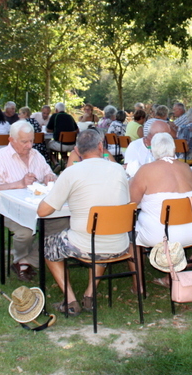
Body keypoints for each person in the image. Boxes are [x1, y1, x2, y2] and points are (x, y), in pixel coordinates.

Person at [37, 130, 131, 315]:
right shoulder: (118, 169)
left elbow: (43, 211)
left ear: (77, 151)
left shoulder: (71, 172)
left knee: (48, 244)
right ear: (100, 147)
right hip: (120, 244)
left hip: (86, 244)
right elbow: (126, 203)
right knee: (100, 232)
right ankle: (89, 294)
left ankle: (70, 300)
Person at [0, 121, 60, 282]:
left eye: (31, 141)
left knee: (63, 224)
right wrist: (17, 184)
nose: (29, 146)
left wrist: (50, 177)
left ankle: (25, 261)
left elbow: (50, 174)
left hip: (35, 207)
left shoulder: (36, 156)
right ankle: (23, 261)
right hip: (6, 208)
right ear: (11, 140)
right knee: (26, 232)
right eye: (24, 141)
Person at [129, 133, 192, 285]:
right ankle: (171, 273)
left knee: (130, 236)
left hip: (163, 235)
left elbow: (131, 202)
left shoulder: (145, 170)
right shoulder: (186, 167)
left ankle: (138, 285)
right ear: (174, 148)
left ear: (152, 150)